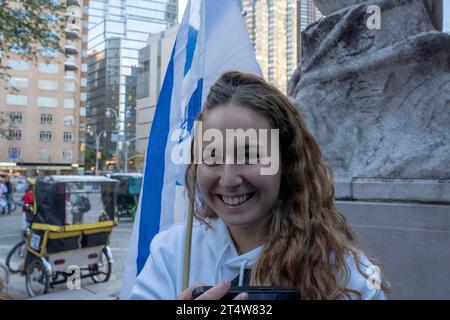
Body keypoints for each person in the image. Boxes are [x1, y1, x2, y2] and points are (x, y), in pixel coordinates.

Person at [131, 71, 391, 300]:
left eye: (249, 156)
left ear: (286, 162)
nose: (229, 179)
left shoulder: (349, 276)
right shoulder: (171, 253)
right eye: (212, 156)